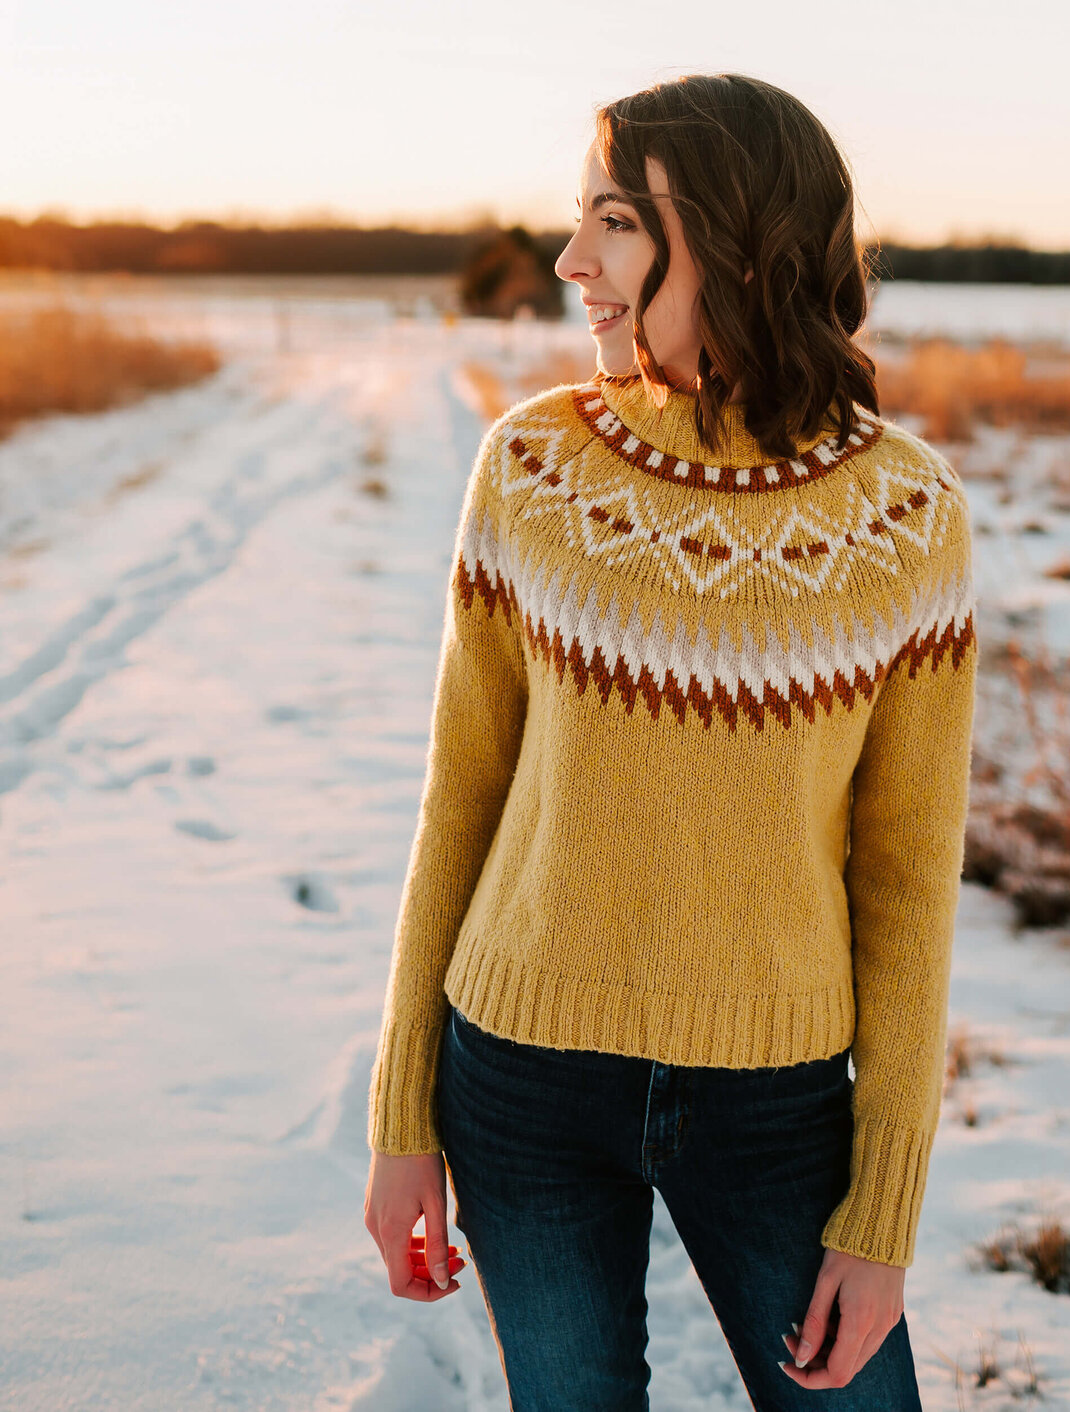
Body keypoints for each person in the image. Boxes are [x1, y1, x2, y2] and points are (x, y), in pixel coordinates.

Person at [364, 73, 978, 1410]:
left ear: (738, 236)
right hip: (516, 1084)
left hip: (777, 1107)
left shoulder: (905, 516)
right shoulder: (531, 469)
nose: (571, 262)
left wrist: (885, 1213)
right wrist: (401, 1116)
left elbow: (913, 875)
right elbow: (460, 800)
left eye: (616, 224)